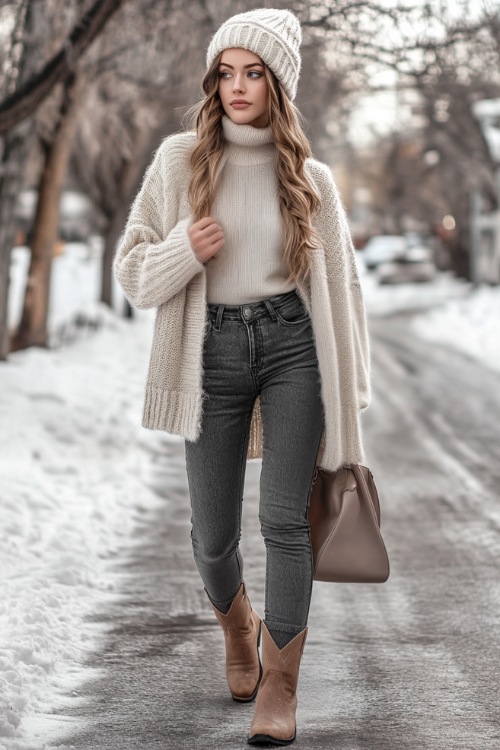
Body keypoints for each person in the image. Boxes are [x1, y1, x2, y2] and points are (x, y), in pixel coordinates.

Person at [113, 7, 371, 746]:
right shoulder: (177, 161)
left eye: (252, 72)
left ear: (278, 83)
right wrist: (182, 252)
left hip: (295, 349)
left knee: (284, 521)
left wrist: (349, 405)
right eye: (225, 72)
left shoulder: (312, 178)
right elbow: (132, 270)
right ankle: (238, 625)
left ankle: (281, 685)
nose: (236, 86)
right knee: (212, 535)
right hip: (210, 351)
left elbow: (344, 294)